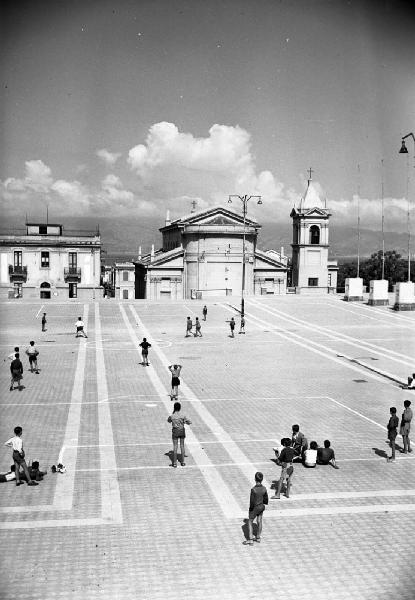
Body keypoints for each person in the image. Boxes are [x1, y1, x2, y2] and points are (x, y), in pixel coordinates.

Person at [243, 472, 268, 546]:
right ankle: (258, 537)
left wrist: (250, 510)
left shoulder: (253, 489)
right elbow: (266, 499)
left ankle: (250, 540)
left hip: (255, 508)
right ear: (262, 479)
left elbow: (252, 501)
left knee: (250, 521)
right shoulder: (264, 488)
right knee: (259, 521)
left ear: (255, 479)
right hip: (261, 507)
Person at [167, 402, 191, 468]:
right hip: (182, 431)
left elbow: (168, 420)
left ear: (174, 408)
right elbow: (189, 422)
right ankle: (183, 462)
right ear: (180, 408)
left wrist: (173, 414)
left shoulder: (172, 416)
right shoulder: (183, 415)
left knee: (175, 446)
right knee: (182, 446)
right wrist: (185, 422)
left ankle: (174, 463)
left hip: (175, 431)